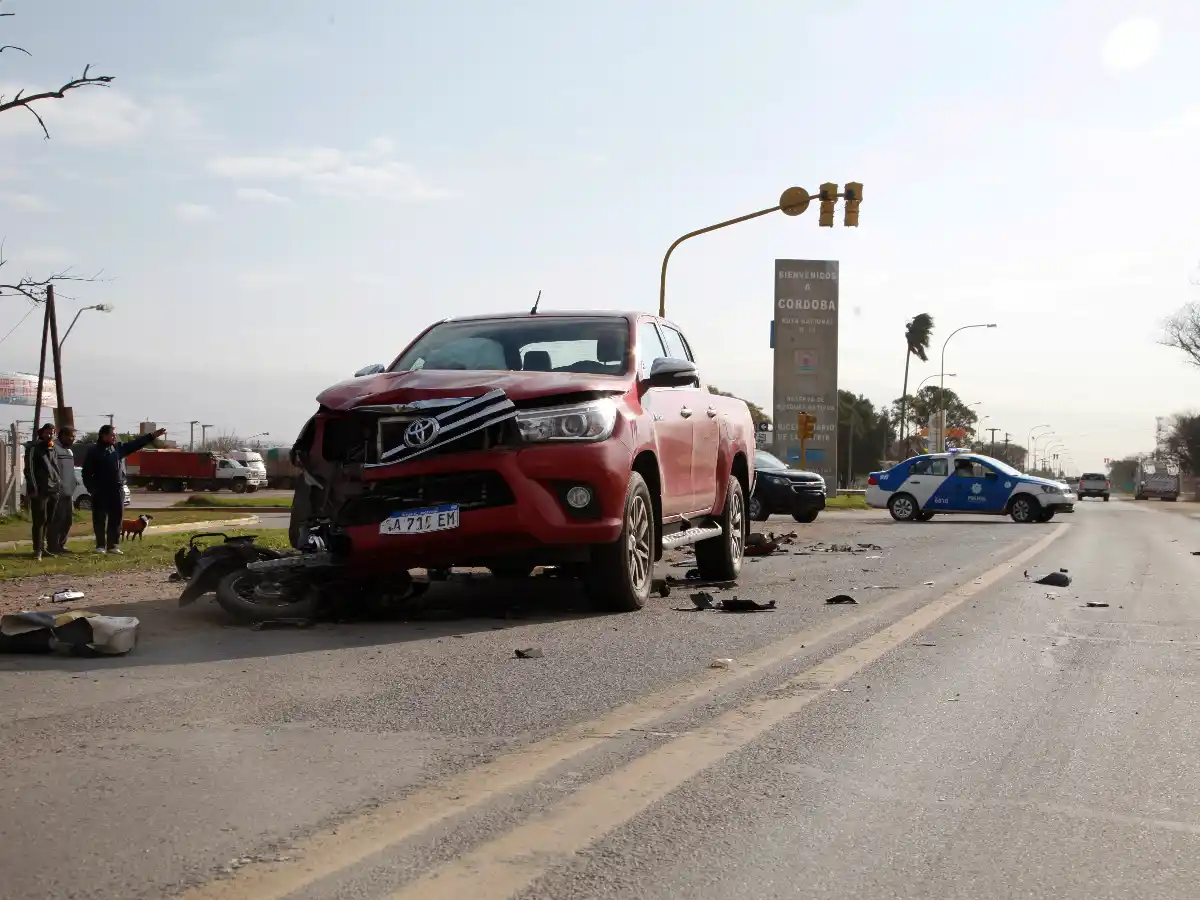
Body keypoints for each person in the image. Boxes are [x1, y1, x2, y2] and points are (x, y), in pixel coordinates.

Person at [82, 425, 166, 554]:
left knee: (116, 518)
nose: (114, 437)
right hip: (101, 489)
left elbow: (136, 444)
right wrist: (92, 488)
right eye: (112, 435)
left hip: (117, 488)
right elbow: (86, 473)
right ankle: (100, 546)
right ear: (103, 436)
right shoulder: (94, 451)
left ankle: (113, 546)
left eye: (115, 435)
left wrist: (152, 436)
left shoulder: (118, 448)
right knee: (99, 518)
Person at [24, 422, 60, 560]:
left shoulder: (53, 448)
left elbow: (55, 468)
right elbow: (29, 470)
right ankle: (37, 550)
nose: (50, 435)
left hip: (53, 489)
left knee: (48, 520)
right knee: (39, 520)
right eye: (48, 432)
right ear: (42, 433)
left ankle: (43, 548)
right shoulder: (34, 448)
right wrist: (33, 489)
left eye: (52, 433)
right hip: (40, 490)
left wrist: (58, 484)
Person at [49, 426, 79, 554]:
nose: (73, 439)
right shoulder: (54, 448)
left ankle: (61, 544)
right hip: (58, 492)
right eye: (70, 436)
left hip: (68, 492)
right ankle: (53, 546)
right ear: (62, 436)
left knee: (67, 520)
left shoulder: (69, 451)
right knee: (57, 520)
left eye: (74, 437)